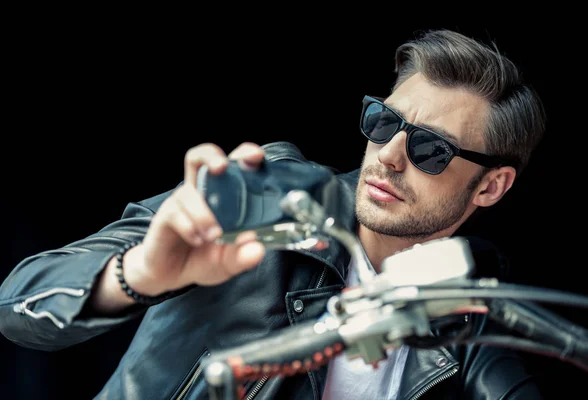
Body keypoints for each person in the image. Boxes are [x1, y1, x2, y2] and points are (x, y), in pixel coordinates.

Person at [0, 28, 547, 399]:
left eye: (432, 150)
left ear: (492, 186)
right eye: (383, 122)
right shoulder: (267, 196)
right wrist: (140, 274)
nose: (390, 155)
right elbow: (16, 302)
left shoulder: (474, 315)